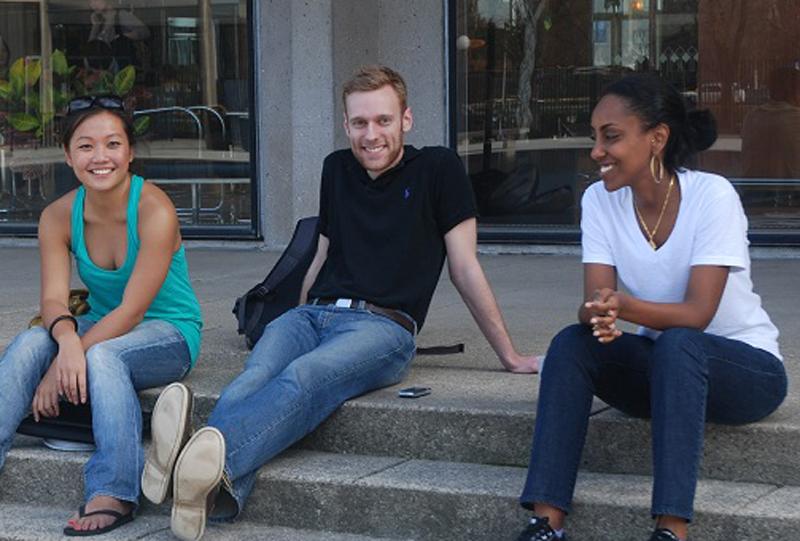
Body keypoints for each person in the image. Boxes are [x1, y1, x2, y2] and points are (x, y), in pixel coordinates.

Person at [141, 65, 538, 541]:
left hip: (382, 328)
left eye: (383, 121)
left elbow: (465, 267)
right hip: (314, 314)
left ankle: (186, 458)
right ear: (346, 124)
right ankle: (212, 495)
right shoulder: (336, 167)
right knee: (256, 375)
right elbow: (322, 253)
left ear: (406, 120)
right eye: (359, 123)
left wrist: (509, 355)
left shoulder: (439, 168)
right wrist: (299, 313)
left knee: (302, 377)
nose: (371, 135)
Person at [515, 73, 786, 541]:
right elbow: (595, 301)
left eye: (611, 137)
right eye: (595, 136)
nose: (596, 150)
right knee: (570, 343)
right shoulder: (598, 200)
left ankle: (671, 528)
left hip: (745, 371)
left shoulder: (712, 196)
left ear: (657, 138)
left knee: (682, 342)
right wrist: (598, 313)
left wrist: (622, 306)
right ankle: (546, 522)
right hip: (664, 373)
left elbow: (698, 313)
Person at [0, 95, 202, 536]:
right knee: (33, 341)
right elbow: (53, 302)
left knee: (103, 358)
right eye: (86, 146)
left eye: (112, 144)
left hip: (168, 331)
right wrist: (66, 344)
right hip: (104, 327)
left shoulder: (154, 210)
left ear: (129, 151)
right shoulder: (57, 216)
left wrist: (67, 361)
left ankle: (113, 489)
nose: (100, 157)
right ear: (69, 156)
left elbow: (132, 312)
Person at [741, 66, 800, 179]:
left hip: (753, 191)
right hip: (792, 193)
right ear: (794, 91)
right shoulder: (796, 119)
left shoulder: (753, 117)